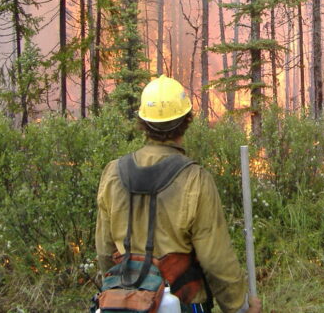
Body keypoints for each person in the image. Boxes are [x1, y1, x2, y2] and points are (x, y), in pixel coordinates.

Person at [96, 75, 262, 313]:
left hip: (124, 301)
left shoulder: (113, 172)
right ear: (186, 121)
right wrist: (239, 308)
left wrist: (117, 293)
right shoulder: (195, 178)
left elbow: (104, 250)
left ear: (143, 122)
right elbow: (215, 259)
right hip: (180, 302)